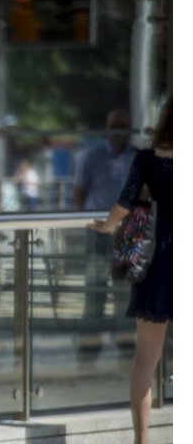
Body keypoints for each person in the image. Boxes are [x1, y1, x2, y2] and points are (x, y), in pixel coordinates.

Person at [88, 97, 172, 444]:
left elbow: (124, 203)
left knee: (145, 360)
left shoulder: (147, 158)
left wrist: (107, 226)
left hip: (157, 265)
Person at [74, 109, 137, 361]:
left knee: (124, 293)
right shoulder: (92, 157)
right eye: (116, 125)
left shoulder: (136, 157)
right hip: (98, 232)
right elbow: (79, 193)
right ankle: (90, 349)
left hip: (127, 233)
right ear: (107, 128)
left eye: (124, 125)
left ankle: (126, 348)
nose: (120, 130)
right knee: (94, 290)